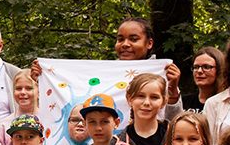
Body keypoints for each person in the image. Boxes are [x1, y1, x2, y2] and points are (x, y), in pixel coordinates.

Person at [31, 17, 183, 119]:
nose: (125, 44)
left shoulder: (162, 74)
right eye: (120, 39)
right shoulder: (105, 75)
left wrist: (173, 91)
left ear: (149, 43)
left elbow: (174, 120)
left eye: (134, 39)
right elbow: (75, 98)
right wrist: (44, 80)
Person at [185, 46, 226, 113]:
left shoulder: (226, 103)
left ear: (219, 70)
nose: (199, 71)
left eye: (206, 67)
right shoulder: (184, 102)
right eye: (196, 67)